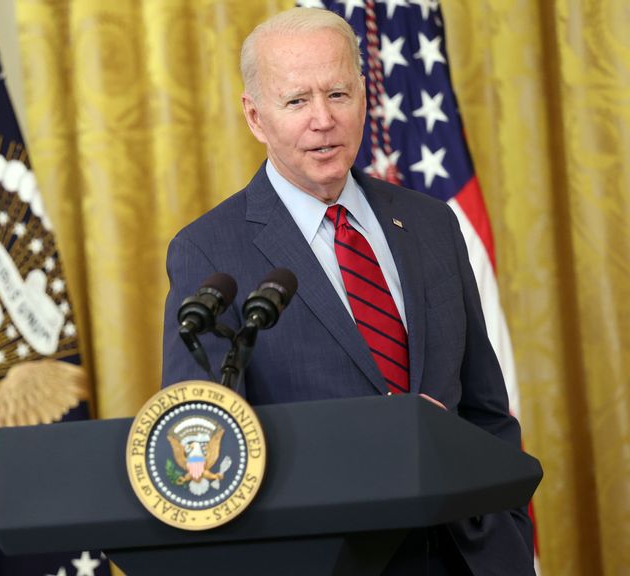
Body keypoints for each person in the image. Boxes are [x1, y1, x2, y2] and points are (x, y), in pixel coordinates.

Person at [161, 8, 534, 575]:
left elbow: (487, 411)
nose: (323, 120)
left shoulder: (432, 223)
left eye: (338, 94)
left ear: (364, 97)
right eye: (296, 101)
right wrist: (370, 442)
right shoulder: (210, 252)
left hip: (467, 557)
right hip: (327, 560)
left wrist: (506, 544)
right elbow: (208, 456)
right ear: (255, 116)